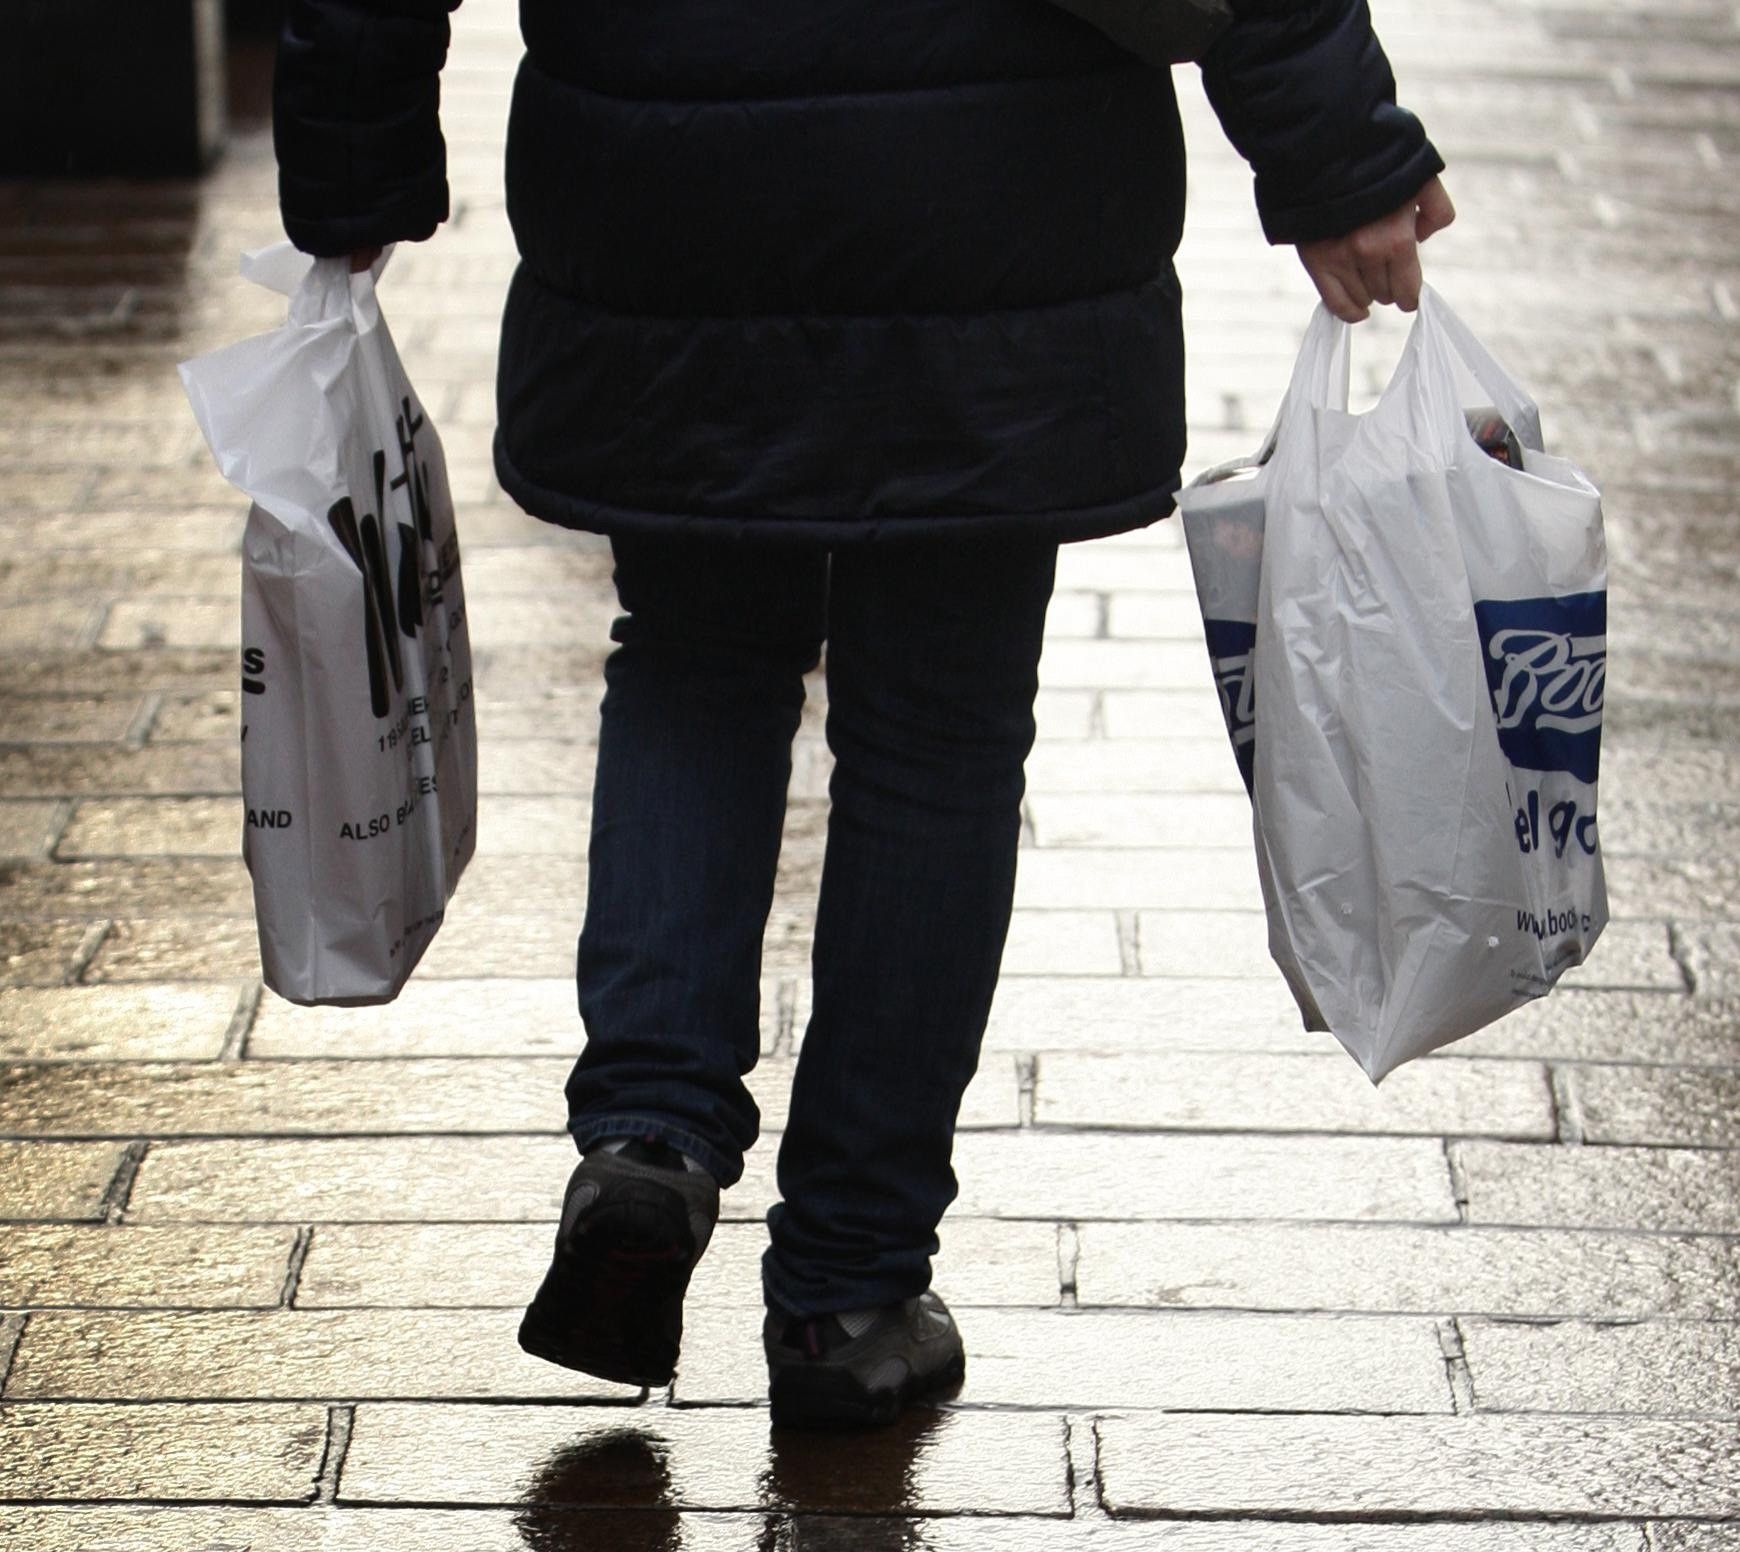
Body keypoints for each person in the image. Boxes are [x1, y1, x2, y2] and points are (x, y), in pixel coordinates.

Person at [273, 0, 1453, 1428]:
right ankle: (852, 1286)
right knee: (939, 738)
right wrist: (1339, 155)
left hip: (668, 175)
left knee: (695, 659)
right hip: (998, 187)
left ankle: (652, 1133)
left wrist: (356, 155)